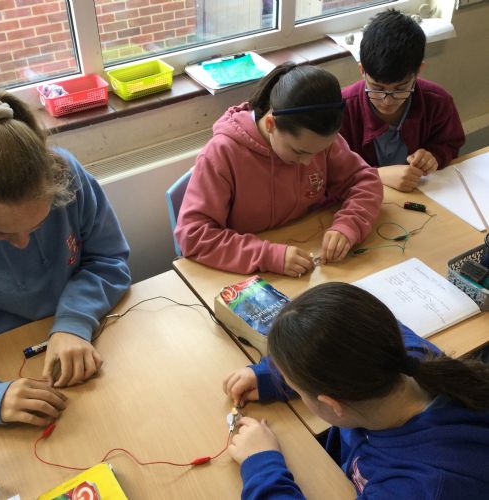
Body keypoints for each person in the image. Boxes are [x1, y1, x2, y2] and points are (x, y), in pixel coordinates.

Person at [223, 283, 489, 499]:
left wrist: (261, 464)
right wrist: (267, 375)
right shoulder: (406, 355)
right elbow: (341, 334)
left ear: (332, 405)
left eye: (295, 387)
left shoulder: (419, 488)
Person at [0, 91, 131, 426]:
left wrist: (74, 321)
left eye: (36, 226)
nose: (22, 243)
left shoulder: (67, 173)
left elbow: (108, 258)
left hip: (82, 331)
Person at [175, 63, 383, 276]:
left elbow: (365, 181)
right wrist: (267, 256)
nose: (308, 162)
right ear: (270, 124)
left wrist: (349, 225)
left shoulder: (315, 141)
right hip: (246, 272)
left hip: (304, 252)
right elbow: (193, 235)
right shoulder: (223, 153)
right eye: (299, 152)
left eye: (319, 151)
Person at [340, 9, 465, 193]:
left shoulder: (438, 101)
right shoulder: (341, 109)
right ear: (362, 71)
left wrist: (434, 156)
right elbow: (330, 171)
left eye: (400, 89)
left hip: (421, 194)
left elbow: (451, 144)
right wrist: (377, 174)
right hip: (363, 197)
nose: (387, 101)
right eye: (377, 88)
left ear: (418, 71)